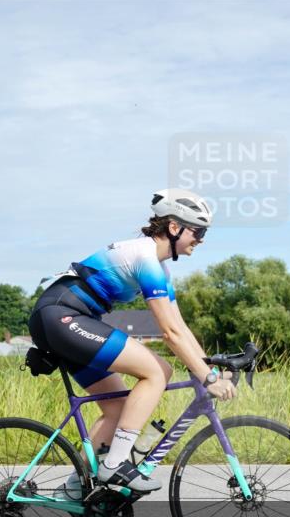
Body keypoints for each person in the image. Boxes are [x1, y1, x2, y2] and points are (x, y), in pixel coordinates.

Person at [28, 189, 236, 493]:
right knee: (158, 371)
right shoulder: (146, 259)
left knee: (119, 408)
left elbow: (181, 327)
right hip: (61, 316)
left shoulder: (159, 269)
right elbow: (170, 334)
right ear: (175, 227)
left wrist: (210, 368)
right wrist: (207, 378)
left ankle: (77, 488)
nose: (201, 239)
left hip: (69, 320)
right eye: (198, 231)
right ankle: (115, 466)